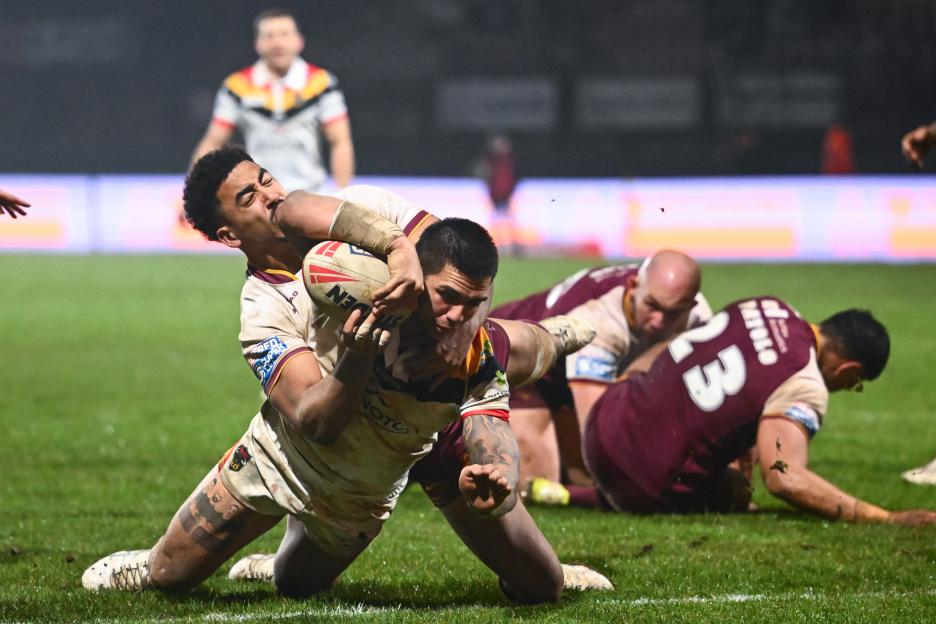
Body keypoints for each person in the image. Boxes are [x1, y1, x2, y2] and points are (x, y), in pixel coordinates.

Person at [81, 148, 608, 601]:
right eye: (248, 198)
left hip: (430, 409)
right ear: (227, 233)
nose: (269, 195)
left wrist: (433, 294)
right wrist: (358, 355)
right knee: (225, 579)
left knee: (542, 585)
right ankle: (219, 557)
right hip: (320, 460)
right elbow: (318, 421)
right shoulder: (263, 310)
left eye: (266, 179)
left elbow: (466, 263)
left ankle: (568, 331)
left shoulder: (364, 209)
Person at [532, 297, 936, 525]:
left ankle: (568, 490)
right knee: (736, 490)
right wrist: (883, 517)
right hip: (635, 480)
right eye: (854, 383)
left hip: (603, 421)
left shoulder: (767, 305)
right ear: (850, 369)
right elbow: (785, 478)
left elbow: (674, 347)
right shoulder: (806, 381)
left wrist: (629, 383)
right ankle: (591, 496)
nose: (848, 388)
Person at [490, 252, 711, 491]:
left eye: (673, 312)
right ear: (633, 287)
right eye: (652, 306)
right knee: (536, 482)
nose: (659, 321)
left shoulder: (698, 318)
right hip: (509, 363)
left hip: (560, 372)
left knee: (588, 476)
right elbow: (598, 435)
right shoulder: (597, 321)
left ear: (691, 305)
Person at [191, 9, 354, 192]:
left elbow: (340, 141)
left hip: (309, 192)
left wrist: (344, 193)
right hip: (258, 194)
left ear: (299, 41)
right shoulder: (237, 86)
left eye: (284, 34)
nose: (277, 43)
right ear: (257, 44)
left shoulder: (321, 83)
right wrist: (193, 193)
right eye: (269, 36)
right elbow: (213, 142)